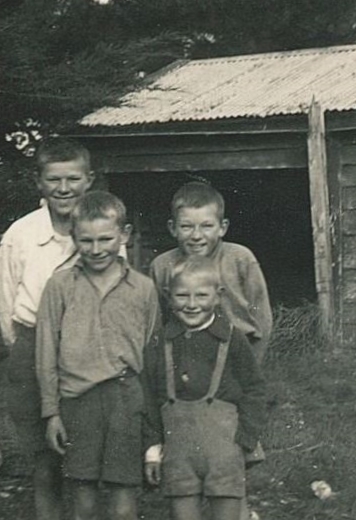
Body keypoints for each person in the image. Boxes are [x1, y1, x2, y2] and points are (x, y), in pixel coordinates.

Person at [35, 191, 160, 520]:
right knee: (83, 496)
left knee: (123, 498)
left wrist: (151, 424)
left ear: (125, 235)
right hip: (78, 403)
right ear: (73, 237)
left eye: (106, 239)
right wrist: (52, 413)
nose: (96, 249)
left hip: (127, 401)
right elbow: (46, 352)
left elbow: (151, 354)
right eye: (86, 241)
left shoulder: (144, 289)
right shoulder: (59, 286)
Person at [0, 138, 94, 520]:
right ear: (39, 182)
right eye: (54, 180)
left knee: (85, 455)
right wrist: (27, 352)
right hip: (33, 347)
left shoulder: (102, 228)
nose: (64, 189)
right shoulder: (20, 236)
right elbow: (7, 304)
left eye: (73, 179)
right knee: (44, 459)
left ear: (89, 180)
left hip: (86, 351)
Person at [143, 256, 266, 520]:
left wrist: (245, 439)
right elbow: (152, 398)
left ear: (218, 295)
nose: (191, 304)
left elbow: (255, 389)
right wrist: (153, 450)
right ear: (168, 296)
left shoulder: (232, 338)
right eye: (181, 295)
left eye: (201, 295)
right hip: (178, 452)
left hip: (224, 450)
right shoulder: (161, 341)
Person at [149, 181, 273, 365]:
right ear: (172, 228)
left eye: (207, 226)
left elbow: (262, 316)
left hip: (236, 354)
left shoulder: (240, 258)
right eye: (186, 226)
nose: (197, 236)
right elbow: (156, 322)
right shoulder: (162, 266)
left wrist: (253, 364)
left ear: (222, 227)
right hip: (184, 357)